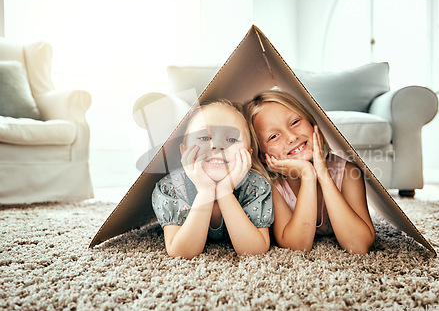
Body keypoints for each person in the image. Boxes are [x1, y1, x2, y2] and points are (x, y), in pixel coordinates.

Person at [244, 90, 375, 254]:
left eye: (295, 122)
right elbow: (298, 246)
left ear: (312, 123)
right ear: (264, 156)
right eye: (274, 136)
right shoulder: (271, 186)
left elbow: (359, 245)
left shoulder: (347, 172)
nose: (291, 137)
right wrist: (307, 174)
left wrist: (322, 173)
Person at [152, 100, 273, 259]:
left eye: (231, 140)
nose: (216, 145)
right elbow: (181, 252)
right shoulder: (172, 187)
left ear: (248, 155)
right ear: (184, 151)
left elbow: (254, 250)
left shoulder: (255, 185)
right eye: (203, 137)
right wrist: (205, 191)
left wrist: (224, 192)